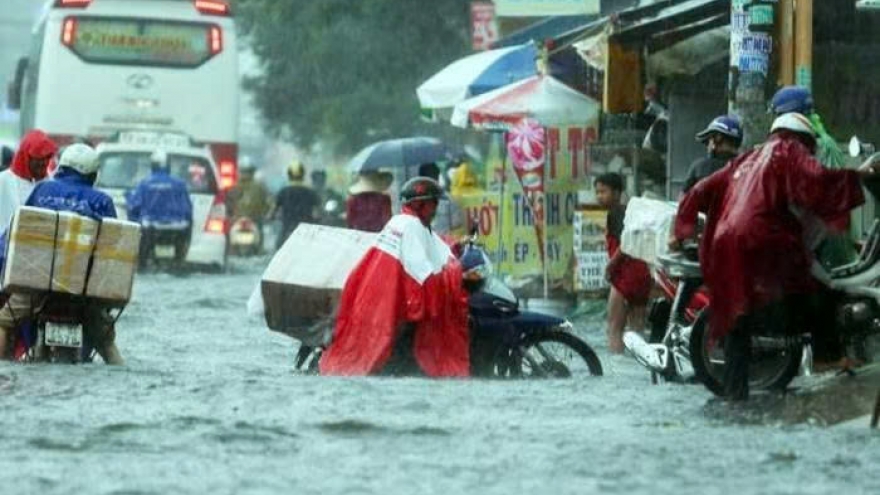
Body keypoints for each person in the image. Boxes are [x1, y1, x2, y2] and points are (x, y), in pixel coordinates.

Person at [671, 96, 875, 400]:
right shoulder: (789, 149)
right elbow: (819, 180)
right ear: (802, 137)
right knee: (823, 290)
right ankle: (825, 356)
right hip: (765, 239)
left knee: (739, 316)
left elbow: (700, 190)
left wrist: (680, 230)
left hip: (726, 242)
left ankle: (735, 398)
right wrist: (860, 175)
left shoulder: (749, 157)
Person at [320, 177, 470, 377]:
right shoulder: (411, 226)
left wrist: (455, 244)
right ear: (421, 204)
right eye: (433, 203)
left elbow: (431, 242)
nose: (435, 209)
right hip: (390, 306)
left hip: (372, 298)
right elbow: (424, 275)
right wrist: (449, 279)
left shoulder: (400, 221)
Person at [0, 144, 123, 364]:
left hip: (38, 286)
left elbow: (21, 232)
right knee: (106, 343)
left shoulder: (42, 191)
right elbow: (112, 251)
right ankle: (123, 376)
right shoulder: (102, 201)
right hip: (84, 294)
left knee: (3, 322)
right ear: (92, 174)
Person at [595, 173, 653, 354]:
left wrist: (610, 265)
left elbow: (625, 244)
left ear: (617, 193)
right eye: (597, 192)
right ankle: (640, 362)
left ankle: (616, 365)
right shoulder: (631, 212)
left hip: (625, 274)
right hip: (643, 275)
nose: (599, 196)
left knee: (614, 328)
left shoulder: (616, 213)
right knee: (637, 331)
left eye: (603, 192)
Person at [126, 150, 194, 269]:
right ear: (168, 166)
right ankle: (179, 261)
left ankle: (143, 263)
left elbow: (134, 206)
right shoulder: (180, 184)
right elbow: (188, 210)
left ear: (153, 165)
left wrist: (128, 198)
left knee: (141, 262)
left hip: (150, 230)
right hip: (178, 230)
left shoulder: (144, 184)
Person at [0, 130, 57, 232]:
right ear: (26, 157)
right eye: (39, 158)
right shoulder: (4, 180)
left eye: (47, 157)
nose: (44, 162)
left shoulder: (51, 182)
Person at [682, 115, 743, 193]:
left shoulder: (700, 168)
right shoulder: (747, 167)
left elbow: (684, 198)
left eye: (708, 141)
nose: (708, 146)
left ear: (717, 138)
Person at [271, 160, 319, 249]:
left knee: (279, 247)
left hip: (287, 226)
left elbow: (274, 210)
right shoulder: (310, 192)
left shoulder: (283, 192)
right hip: (306, 228)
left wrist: (270, 217)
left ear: (289, 175)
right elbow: (316, 212)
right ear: (303, 174)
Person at [226, 157, 272, 250]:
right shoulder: (235, 187)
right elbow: (228, 202)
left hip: (253, 218)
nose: (245, 174)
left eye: (247, 172)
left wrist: (267, 213)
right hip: (241, 219)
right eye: (244, 172)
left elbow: (268, 202)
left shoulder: (258, 187)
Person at [417, 162, 465, 236]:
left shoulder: (449, 201)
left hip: (445, 241)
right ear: (421, 180)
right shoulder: (415, 203)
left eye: (434, 176)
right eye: (428, 176)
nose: (432, 180)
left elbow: (457, 229)